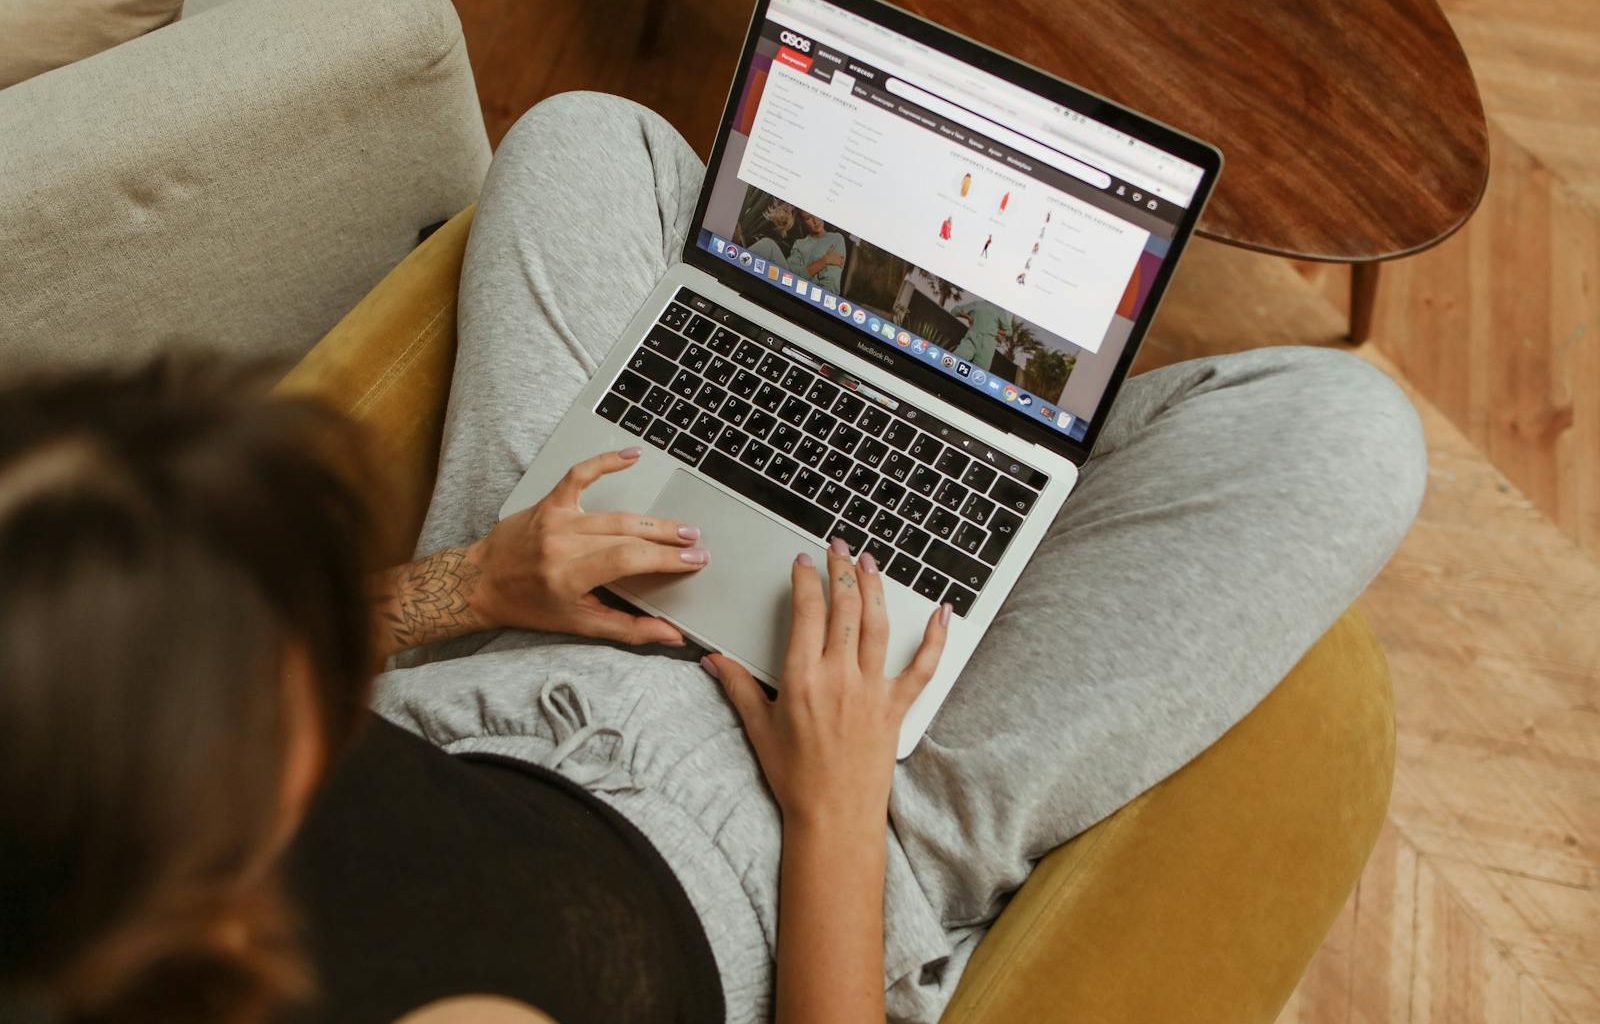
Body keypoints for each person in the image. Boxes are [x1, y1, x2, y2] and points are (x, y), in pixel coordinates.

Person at [0, 92, 1428, 1024]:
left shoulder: (71, 785)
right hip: (824, 837)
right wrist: (838, 802)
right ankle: (997, 487)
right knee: (1346, 437)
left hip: (518, 653)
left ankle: (950, 458)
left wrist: (478, 584)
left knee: (588, 140)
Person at [745, 206, 847, 292]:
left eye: (817, 214)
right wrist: (824, 261)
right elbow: (791, 275)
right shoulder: (800, 244)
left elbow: (831, 286)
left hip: (814, 295)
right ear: (803, 221)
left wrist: (807, 272)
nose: (815, 221)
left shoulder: (836, 239)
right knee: (767, 244)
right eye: (808, 218)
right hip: (790, 285)